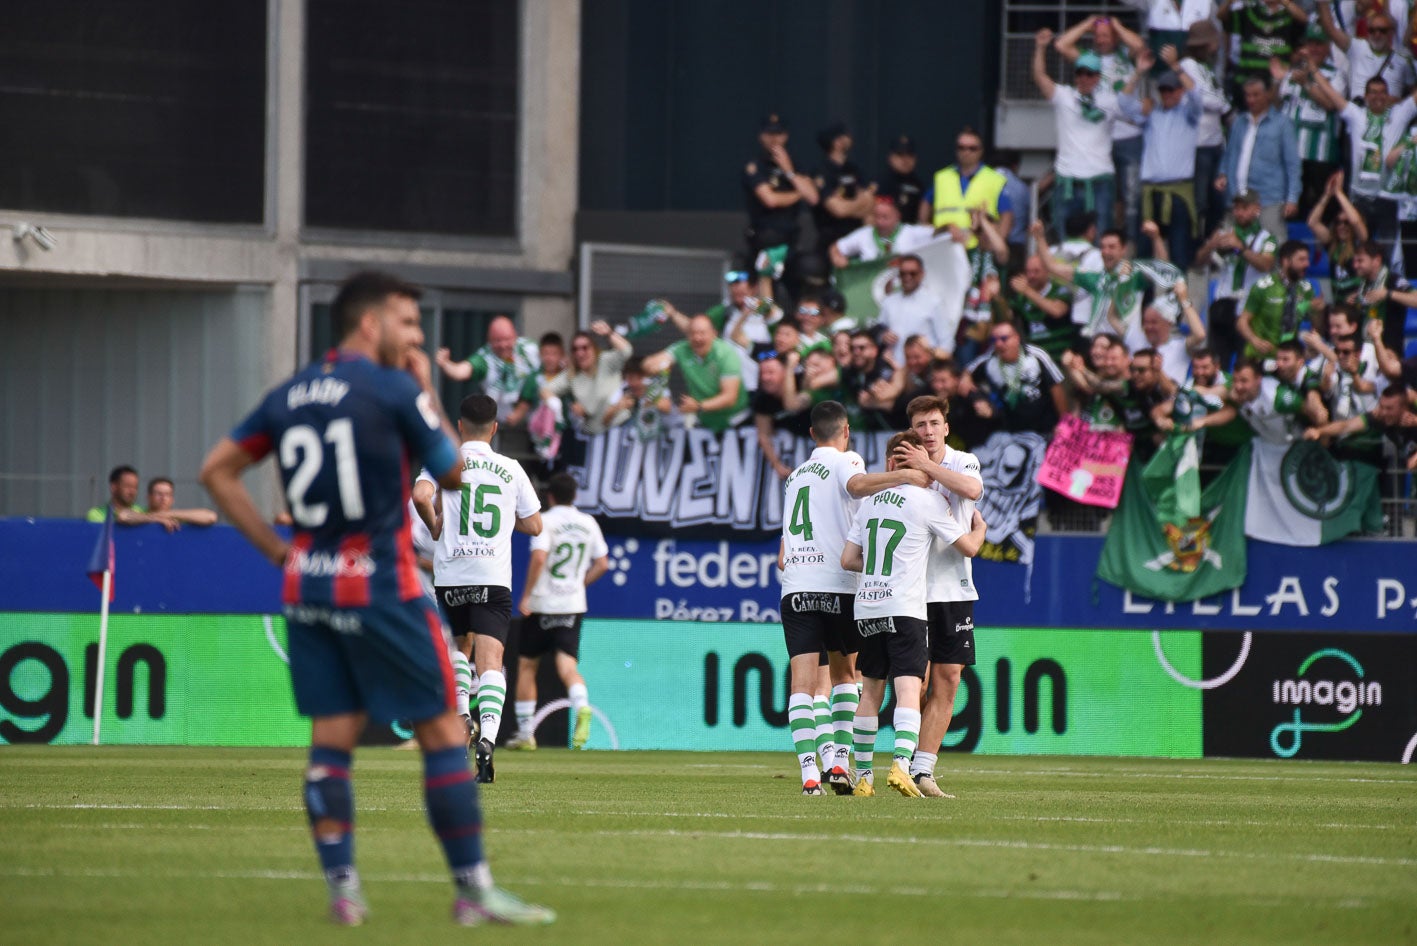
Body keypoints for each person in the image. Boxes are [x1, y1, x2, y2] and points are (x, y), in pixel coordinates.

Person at [197, 271, 553, 926]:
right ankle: (473, 891)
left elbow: (215, 471)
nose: (417, 337)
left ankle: (343, 892)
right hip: (381, 585)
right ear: (371, 324)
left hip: (309, 588)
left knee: (330, 741)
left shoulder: (291, 393)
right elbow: (451, 470)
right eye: (409, 324)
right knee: (444, 727)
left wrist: (280, 553)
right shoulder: (391, 388)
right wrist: (423, 385)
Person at [778, 400, 932, 795]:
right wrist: (904, 477)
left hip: (796, 586)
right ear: (845, 432)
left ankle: (812, 770)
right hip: (837, 586)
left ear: (812, 434)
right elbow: (857, 486)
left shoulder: (794, 477)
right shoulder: (847, 461)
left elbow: (782, 553)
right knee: (847, 676)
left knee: (803, 684)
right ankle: (841, 759)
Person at [840, 430, 986, 798]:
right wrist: (980, 530)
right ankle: (902, 766)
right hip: (906, 607)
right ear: (918, 462)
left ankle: (863, 777)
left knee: (870, 690)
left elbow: (848, 560)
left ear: (890, 464)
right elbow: (968, 547)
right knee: (908, 687)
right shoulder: (927, 501)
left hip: (867, 607)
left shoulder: (869, 504)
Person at [413, 394, 543, 786]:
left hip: (452, 574)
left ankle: (460, 715)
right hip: (491, 575)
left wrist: (435, 522)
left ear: (460, 425)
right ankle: (487, 738)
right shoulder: (510, 468)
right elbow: (535, 526)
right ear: (495, 427)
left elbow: (420, 495)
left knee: (457, 649)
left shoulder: (443, 460)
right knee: (491, 660)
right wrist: (506, 522)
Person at [891, 395, 984, 798]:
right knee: (917, 680)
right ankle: (897, 762)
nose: (927, 431)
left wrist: (928, 467)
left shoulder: (963, 460)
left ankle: (924, 771)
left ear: (946, 426)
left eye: (933, 423)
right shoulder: (902, 465)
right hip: (909, 589)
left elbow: (973, 490)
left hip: (953, 589)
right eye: (920, 425)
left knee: (949, 679)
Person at [509, 473, 609, 752]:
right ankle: (583, 707)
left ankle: (526, 733)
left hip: (542, 604)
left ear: (549, 496)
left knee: (528, 666)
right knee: (568, 667)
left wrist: (527, 594)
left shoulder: (547, 521)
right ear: (575, 496)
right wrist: (579, 584)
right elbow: (602, 564)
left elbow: (539, 557)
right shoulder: (588, 523)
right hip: (572, 605)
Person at [1055, 14, 1150, 244]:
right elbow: (1061, 44)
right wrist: (1088, 24)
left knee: (1132, 196)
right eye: (1097, 36)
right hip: (1097, 138)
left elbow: (1140, 46)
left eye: (1106, 35)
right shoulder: (1088, 61)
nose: (1101, 39)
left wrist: (1116, 24)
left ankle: (1129, 244)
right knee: (1104, 197)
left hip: (1128, 135)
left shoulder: (1125, 56)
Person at [1302, 68, 1417, 257]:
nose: (1378, 96)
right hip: (1359, 198)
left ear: (1388, 96)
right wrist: (1313, 71)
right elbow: (1331, 94)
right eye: (1373, 92)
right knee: (1357, 252)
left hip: (1387, 198)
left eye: (1382, 92)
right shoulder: (1356, 114)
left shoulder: (1399, 114)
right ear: (1365, 96)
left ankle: (1385, 285)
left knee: (1387, 252)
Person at [1119, 46, 1203, 268]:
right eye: (1164, 90)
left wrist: (1176, 67)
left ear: (1180, 91)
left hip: (1178, 192)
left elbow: (1197, 95)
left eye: (1172, 90)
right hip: (1151, 193)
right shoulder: (1151, 114)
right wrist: (1138, 72)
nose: (1167, 94)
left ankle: (1179, 300)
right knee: (1144, 255)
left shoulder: (1189, 115)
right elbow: (1124, 103)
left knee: (1178, 254)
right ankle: (1143, 300)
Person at [1034, 29, 1120, 242]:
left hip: (1100, 180)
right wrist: (1040, 48)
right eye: (1080, 73)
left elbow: (1137, 107)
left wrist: (1138, 74)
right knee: (1065, 242)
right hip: (1068, 182)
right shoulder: (1064, 96)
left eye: (1090, 74)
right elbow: (1040, 78)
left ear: (1098, 77)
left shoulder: (1109, 101)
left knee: (1102, 243)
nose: (1084, 78)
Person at [1194, 190, 1278, 368]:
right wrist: (1210, 245)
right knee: (1217, 362)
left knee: (1245, 363)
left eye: (1245, 208)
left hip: (1249, 310)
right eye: (1236, 208)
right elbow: (1199, 263)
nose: (1239, 212)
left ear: (1257, 209)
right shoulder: (1226, 234)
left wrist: (1240, 248)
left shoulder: (1267, 238)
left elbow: (1266, 264)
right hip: (1223, 304)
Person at [1275, 25, 1350, 215]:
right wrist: (1277, 80)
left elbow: (1330, 104)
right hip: (1292, 154)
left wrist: (1307, 84)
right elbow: (1278, 103)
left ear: (1328, 47)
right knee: (1291, 209)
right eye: (1311, 44)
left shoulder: (1335, 75)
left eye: (1319, 44)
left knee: (1323, 209)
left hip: (1322, 156)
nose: (1314, 49)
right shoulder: (1293, 71)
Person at [1217, 75, 1302, 243]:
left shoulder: (1283, 124)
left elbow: (1292, 164)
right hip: (1237, 198)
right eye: (1248, 95)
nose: (1251, 99)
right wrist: (1222, 174)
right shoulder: (1239, 122)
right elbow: (1230, 154)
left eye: (1255, 95)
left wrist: (1292, 198)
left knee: (1271, 246)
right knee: (1231, 247)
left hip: (1268, 198)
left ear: (1267, 94)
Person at [643, 314, 750, 432]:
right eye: (692, 333)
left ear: (714, 334)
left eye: (702, 333)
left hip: (736, 423)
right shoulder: (682, 349)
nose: (697, 338)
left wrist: (698, 406)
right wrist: (658, 367)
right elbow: (650, 364)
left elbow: (730, 398)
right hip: (706, 423)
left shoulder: (726, 354)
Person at [435, 315, 540, 427]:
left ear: (515, 335)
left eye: (507, 339)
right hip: (504, 425)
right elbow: (461, 371)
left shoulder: (530, 349)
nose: (503, 345)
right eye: (498, 340)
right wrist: (446, 364)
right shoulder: (484, 358)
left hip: (538, 420)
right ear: (489, 340)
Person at [967, 319, 1068, 435]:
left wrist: (1063, 423)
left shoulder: (1036, 356)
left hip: (1045, 426)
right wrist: (976, 396)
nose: (999, 344)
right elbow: (966, 374)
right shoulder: (989, 361)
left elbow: (1057, 388)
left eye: (1004, 338)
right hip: (1012, 431)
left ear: (1017, 338)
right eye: (994, 340)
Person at [743, 113, 819, 260]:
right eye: (769, 134)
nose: (774, 139)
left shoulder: (795, 165)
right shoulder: (756, 166)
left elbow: (813, 198)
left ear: (785, 136)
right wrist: (799, 193)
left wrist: (789, 172)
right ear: (762, 136)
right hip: (764, 235)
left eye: (778, 134)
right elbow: (770, 200)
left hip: (791, 236)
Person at [923, 127, 1012, 250]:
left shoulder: (994, 179)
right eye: (961, 148)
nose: (966, 152)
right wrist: (928, 232)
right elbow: (925, 206)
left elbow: (1006, 215)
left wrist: (998, 243)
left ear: (981, 151)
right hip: (945, 245)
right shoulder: (942, 177)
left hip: (979, 248)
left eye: (972, 148)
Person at [1237, 239, 1322, 361]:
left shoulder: (1306, 289)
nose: (1307, 264)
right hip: (1260, 357)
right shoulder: (1263, 287)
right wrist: (1255, 340)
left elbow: (1317, 327)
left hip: (1289, 359)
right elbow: (1242, 322)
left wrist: (1318, 312)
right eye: (1301, 260)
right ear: (1286, 261)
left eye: (1307, 259)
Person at [1316, 1, 1415, 103]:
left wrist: (1400, 104)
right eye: (1372, 30)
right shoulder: (1356, 47)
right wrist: (1322, 3)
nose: (1377, 35)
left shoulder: (1403, 59)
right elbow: (1330, 29)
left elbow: (1413, 93)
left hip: (1390, 115)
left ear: (1390, 32)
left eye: (1382, 30)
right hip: (1359, 114)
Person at [548, 321, 633, 439]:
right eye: (575, 349)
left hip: (620, 430)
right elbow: (547, 389)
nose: (580, 353)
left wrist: (609, 333)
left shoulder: (605, 360)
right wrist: (556, 404)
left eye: (585, 348)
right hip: (594, 437)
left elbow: (626, 351)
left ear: (594, 348)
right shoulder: (572, 375)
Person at [812, 122, 876, 259]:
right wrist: (859, 201)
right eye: (845, 136)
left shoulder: (854, 170)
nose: (849, 139)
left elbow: (870, 202)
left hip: (857, 235)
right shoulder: (822, 171)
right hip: (832, 238)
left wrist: (850, 206)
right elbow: (838, 210)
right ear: (837, 142)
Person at [876, 253, 953, 365]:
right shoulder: (889, 302)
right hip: (895, 366)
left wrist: (938, 363)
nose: (907, 277)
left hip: (924, 367)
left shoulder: (934, 301)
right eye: (903, 274)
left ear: (922, 274)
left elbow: (946, 340)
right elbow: (879, 329)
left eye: (913, 273)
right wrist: (883, 336)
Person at [1000, 254, 1076, 364]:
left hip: (1061, 358)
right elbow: (1007, 317)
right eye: (1028, 272)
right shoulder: (1022, 296)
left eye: (1036, 271)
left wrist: (1027, 291)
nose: (1031, 276)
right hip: (1035, 359)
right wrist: (997, 298)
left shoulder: (1059, 289)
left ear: (1047, 271)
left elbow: (1057, 311)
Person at [1307, 171, 1369, 302]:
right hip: (1338, 306)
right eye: (1338, 222)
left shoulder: (1361, 244)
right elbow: (1312, 222)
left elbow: (1356, 221)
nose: (1342, 226)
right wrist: (1327, 195)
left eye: (1346, 222)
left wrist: (1339, 193)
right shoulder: (1332, 243)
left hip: (1357, 305)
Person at [829, 195, 934, 269]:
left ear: (898, 216)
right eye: (877, 217)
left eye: (885, 217)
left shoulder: (911, 232)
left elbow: (937, 232)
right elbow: (836, 248)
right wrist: (837, 258)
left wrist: (947, 227)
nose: (880, 222)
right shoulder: (864, 234)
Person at [85, 465, 177, 530]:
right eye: (127, 486)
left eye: (135, 487)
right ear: (114, 487)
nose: (132, 491)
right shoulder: (96, 514)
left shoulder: (142, 511)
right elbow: (123, 516)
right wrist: (153, 518)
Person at [880, 134, 926, 226]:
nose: (905, 160)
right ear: (891, 157)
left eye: (909, 155)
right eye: (900, 155)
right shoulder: (880, 182)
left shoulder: (919, 186)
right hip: (885, 235)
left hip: (910, 235)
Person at [145, 477, 219, 527]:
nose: (163, 498)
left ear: (172, 499)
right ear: (149, 497)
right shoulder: (139, 512)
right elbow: (133, 517)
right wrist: (153, 517)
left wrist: (167, 515)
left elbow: (210, 517)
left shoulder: (176, 517)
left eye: (167, 494)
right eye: (159, 494)